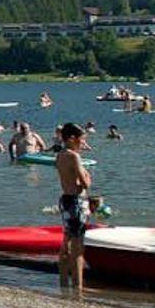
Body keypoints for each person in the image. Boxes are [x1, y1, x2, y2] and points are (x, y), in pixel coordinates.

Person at [54, 122, 91, 295]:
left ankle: (63, 283)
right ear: (71, 138)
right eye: (81, 140)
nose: (83, 143)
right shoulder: (74, 156)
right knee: (78, 248)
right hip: (76, 201)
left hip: (66, 199)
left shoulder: (60, 155)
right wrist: (88, 175)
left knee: (66, 242)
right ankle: (78, 287)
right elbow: (85, 183)